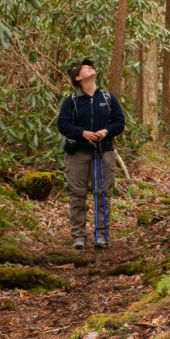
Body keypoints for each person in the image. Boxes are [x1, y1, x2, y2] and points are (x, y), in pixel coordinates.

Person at [57, 59, 125, 250]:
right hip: (78, 154)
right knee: (77, 195)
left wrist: (105, 132)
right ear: (78, 78)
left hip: (104, 152)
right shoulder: (72, 101)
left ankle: (102, 235)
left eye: (92, 66)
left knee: (103, 194)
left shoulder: (108, 98)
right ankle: (78, 236)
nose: (90, 68)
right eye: (85, 68)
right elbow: (62, 125)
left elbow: (119, 122)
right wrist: (82, 133)